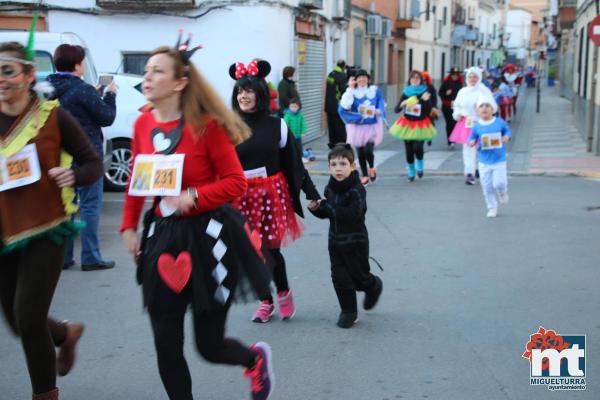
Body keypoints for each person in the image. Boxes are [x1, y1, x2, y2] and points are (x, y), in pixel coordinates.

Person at [120, 38, 274, 400]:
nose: (148, 76)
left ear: (179, 82)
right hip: (162, 237)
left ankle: (253, 361)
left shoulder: (207, 125)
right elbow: (136, 179)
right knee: (166, 345)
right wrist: (128, 226)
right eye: (146, 70)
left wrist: (195, 196)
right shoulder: (143, 123)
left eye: (157, 70)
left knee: (209, 346)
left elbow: (236, 183)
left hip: (210, 237)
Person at [0, 40, 103, 400]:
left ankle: (45, 395)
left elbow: (93, 163)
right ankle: (64, 333)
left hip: (48, 228)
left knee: (28, 317)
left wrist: (73, 175)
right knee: (16, 321)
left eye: (7, 70)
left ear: (29, 75)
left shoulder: (53, 116)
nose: (0, 79)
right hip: (4, 231)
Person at [230, 59, 320, 324]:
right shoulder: (228, 126)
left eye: (248, 90)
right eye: (238, 91)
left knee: (270, 251)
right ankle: (265, 301)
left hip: (270, 195)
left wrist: (312, 193)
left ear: (259, 92)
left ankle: (282, 293)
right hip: (240, 197)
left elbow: (295, 164)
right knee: (249, 253)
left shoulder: (277, 125)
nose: (243, 96)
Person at [47, 43, 117, 271]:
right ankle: (90, 257)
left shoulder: (46, 88)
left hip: (57, 159)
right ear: (77, 65)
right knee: (89, 207)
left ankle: (63, 257)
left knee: (65, 207)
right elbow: (106, 117)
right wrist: (110, 96)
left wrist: (94, 95)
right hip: (86, 157)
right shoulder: (82, 90)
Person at [308, 144, 382, 328]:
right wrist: (316, 209)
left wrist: (326, 206)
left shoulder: (357, 190)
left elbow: (351, 214)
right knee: (340, 278)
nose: (338, 168)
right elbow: (329, 215)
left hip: (356, 242)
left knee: (359, 278)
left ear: (352, 166)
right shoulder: (329, 188)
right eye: (333, 164)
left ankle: (373, 285)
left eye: (342, 164)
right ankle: (349, 311)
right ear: (329, 167)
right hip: (335, 243)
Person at [338, 69, 386, 185]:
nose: (362, 79)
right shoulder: (351, 93)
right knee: (360, 152)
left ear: (368, 79)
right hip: (357, 127)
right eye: (359, 78)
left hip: (371, 126)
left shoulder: (374, 91)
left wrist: (380, 111)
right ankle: (364, 175)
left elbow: (380, 102)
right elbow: (345, 106)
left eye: (364, 77)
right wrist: (349, 88)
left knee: (368, 150)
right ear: (355, 80)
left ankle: (372, 167)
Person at [450, 66, 495, 185]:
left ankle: (482, 170)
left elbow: (493, 107)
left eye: (475, 76)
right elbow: (457, 106)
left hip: (481, 123)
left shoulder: (483, 91)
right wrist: (457, 114)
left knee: (482, 148)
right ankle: (469, 173)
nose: (472, 79)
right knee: (468, 148)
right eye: (470, 76)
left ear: (479, 77)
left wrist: (483, 111)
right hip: (466, 123)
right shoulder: (462, 91)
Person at [389, 70, 437, 181]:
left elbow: (428, 110)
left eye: (417, 78)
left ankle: (419, 164)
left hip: (421, 124)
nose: (415, 80)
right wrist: (403, 103)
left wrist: (426, 100)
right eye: (413, 78)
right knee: (409, 150)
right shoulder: (406, 92)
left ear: (420, 80)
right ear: (409, 80)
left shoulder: (425, 91)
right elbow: (396, 109)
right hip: (407, 124)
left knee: (418, 147)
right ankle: (411, 171)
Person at [468, 96, 511, 218]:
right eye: (481, 106)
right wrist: (471, 142)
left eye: (487, 106)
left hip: (499, 159)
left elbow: (507, 131)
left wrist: (507, 136)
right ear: (477, 111)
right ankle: (492, 207)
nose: (484, 108)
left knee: (499, 183)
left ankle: (502, 192)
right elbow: (472, 138)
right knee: (486, 186)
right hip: (484, 160)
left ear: (493, 109)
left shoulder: (499, 122)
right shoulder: (476, 126)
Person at [325, 59, 348, 147]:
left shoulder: (331, 74)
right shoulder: (342, 75)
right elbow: (344, 91)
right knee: (340, 125)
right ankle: (342, 142)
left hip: (328, 105)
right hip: (337, 105)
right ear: (344, 66)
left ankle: (332, 142)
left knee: (331, 125)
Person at [438, 67, 463, 148]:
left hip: (456, 107)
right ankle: (450, 141)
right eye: (453, 74)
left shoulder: (460, 84)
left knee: (455, 123)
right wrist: (446, 93)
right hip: (447, 106)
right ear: (451, 75)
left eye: (456, 75)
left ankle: (453, 139)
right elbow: (440, 92)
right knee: (449, 123)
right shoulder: (446, 83)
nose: (455, 76)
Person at [283, 97, 307, 161]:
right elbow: (285, 126)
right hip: (290, 136)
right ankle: (291, 158)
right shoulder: (287, 116)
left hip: (298, 135)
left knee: (299, 147)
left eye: (295, 106)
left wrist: (303, 132)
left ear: (298, 107)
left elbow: (303, 124)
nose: (293, 108)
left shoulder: (300, 115)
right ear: (289, 106)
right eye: (292, 106)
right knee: (291, 148)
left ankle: (301, 157)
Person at [421, 71, 440, 146]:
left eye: (425, 80)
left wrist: (434, 107)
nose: (424, 82)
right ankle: (421, 142)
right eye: (422, 80)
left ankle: (430, 136)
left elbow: (434, 98)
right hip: (422, 109)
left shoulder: (431, 88)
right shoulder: (419, 88)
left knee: (430, 124)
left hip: (430, 108)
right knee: (422, 125)